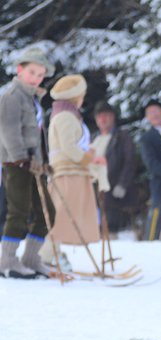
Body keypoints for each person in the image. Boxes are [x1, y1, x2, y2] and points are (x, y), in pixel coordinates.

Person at [0, 46, 55, 279]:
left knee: (47, 212)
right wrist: (21, 158)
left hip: (35, 165)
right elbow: (8, 131)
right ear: (19, 70)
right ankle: (7, 261)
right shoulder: (11, 97)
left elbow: (37, 134)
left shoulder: (33, 99)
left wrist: (43, 161)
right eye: (32, 72)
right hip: (17, 164)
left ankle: (31, 258)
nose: (36, 78)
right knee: (19, 212)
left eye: (41, 74)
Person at [47, 74, 102, 256]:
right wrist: (85, 158)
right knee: (62, 214)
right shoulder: (65, 116)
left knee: (67, 214)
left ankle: (52, 252)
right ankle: (47, 253)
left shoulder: (69, 115)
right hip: (67, 173)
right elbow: (68, 146)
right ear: (76, 97)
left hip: (74, 171)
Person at [91, 101, 140, 234]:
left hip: (113, 190)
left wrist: (122, 185)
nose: (103, 119)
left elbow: (130, 161)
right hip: (94, 189)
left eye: (106, 115)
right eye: (99, 116)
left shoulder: (122, 136)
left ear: (112, 117)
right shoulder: (93, 138)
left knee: (112, 227)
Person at [138, 100, 161, 240]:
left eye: (155, 111)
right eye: (149, 113)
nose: (153, 115)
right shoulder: (147, 138)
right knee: (157, 227)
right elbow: (152, 164)